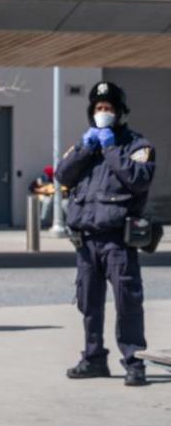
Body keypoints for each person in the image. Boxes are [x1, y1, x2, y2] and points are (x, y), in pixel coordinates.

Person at [56, 81, 154, 386]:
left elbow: (138, 180)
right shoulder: (86, 145)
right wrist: (87, 148)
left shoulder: (137, 146)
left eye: (108, 108)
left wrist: (111, 148)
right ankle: (94, 357)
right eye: (98, 108)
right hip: (86, 239)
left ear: (120, 112)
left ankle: (133, 360)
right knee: (89, 302)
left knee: (127, 300)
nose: (103, 113)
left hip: (117, 239)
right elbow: (62, 174)